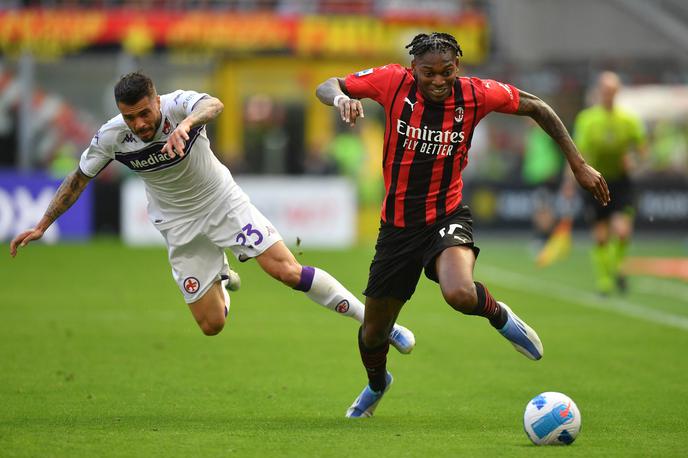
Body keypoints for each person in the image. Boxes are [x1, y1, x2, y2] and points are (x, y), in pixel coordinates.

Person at [9, 71, 415, 354]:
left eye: (144, 113)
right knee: (212, 325)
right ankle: (222, 274)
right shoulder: (112, 136)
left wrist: (186, 125)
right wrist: (43, 224)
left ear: (156, 100)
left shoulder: (179, 105)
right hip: (178, 225)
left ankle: (380, 325)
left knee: (286, 272)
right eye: (130, 116)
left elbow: (214, 104)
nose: (139, 123)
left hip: (222, 203)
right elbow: (78, 178)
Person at [316, 32, 609, 418]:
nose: (438, 81)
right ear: (412, 70)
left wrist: (578, 163)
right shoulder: (391, 82)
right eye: (428, 74)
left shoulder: (475, 94)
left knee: (459, 293)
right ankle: (377, 384)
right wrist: (341, 97)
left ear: (458, 67)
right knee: (372, 334)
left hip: (446, 215)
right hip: (398, 228)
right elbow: (328, 84)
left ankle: (499, 315)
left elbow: (537, 107)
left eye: (447, 72)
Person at [573, 71, 647, 295]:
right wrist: (571, 182)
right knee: (601, 236)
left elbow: (642, 151)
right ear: (598, 92)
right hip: (595, 182)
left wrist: (633, 162)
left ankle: (616, 269)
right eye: (605, 90)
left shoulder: (628, 120)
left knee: (622, 232)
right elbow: (578, 153)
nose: (608, 94)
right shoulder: (587, 119)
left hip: (621, 182)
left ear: (617, 92)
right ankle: (604, 281)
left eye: (612, 91)